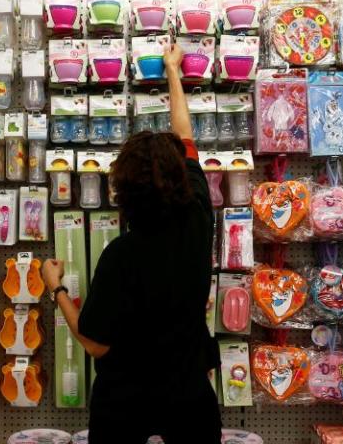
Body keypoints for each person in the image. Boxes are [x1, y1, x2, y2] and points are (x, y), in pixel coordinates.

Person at [42, 43, 222, 443]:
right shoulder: (197, 218)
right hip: (189, 395)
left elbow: (94, 344)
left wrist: (55, 287)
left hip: (125, 400)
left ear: (122, 191)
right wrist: (173, 71)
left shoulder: (121, 257)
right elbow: (186, 135)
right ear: (179, 177)